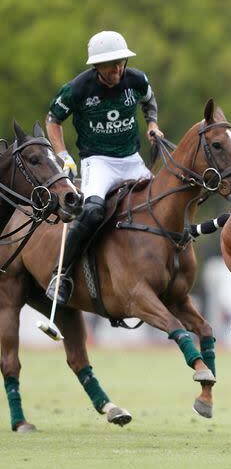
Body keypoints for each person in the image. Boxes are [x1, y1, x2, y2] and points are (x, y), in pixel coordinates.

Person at [45, 30, 164, 305]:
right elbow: (53, 120)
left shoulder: (136, 79)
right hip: (97, 161)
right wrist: (63, 154)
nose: (117, 70)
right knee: (92, 211)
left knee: (160, 201)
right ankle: (61, 274)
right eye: (111, 65)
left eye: (121, 63)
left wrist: (153, 125)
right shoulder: (77, 89)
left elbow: (149, 101)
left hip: (131, 158)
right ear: (96, 66)